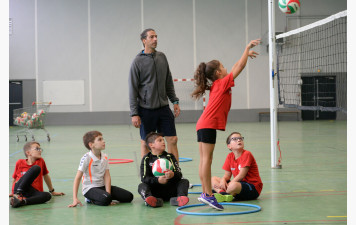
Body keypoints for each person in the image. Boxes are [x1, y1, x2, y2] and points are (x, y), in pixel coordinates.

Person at [191, 39, 260, 210]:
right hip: (207, 124)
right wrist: (246, 48)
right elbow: (240, 66)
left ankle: (205, 193)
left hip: (202, 123)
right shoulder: (221, 83)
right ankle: (207, 195)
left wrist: (245, 54)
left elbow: (237, 64)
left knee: (204, 160)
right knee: (207, 160)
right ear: (218, 72)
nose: (226, 67)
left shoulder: (217, 84)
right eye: (223, 66)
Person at [128, 28, 180, 160]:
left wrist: (174, 101)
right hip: (146, 110)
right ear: (144, 40)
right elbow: (133, 89)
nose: (155, 39)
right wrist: (134, 113)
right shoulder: (137, 62)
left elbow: (168, 81)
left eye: (156, 36)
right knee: (146, 143)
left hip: (163, 108)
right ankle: (146, 175)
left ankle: (176, 173)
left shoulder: (162, 57)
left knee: (172, 139)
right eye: (151, 37)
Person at [68, 131, 133, 207]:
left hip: (102, 187)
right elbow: (78, 178)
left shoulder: (105, 156)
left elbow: (107, 176)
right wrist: (75, 198)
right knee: (106, 199)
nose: (103, 141)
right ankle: (90, 199)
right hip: (90, 189)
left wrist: (108, 194)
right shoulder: (86, 158)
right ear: (91, 145)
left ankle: (105, 197)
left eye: (102, 139)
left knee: (129, 197)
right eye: (99, 139)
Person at [138, 132, 189, 208]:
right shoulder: (146, 159)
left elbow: (179, 174)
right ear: (151, 145)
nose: (163, 142)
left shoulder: (169, 156)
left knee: (184, 181)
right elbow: (144, 178)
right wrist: (157, 180)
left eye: (163, 140)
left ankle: (179, 199)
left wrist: (172, 175)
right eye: (160, 140)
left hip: (170, 189)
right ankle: (151, 199)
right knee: (141, 186)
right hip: (155, 191)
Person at [10, 141, 65, 208]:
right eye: (37, 149)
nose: (40, 151)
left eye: (40, 149)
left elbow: (46, 176)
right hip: (19, 188)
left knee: (47, 196)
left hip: (32, 192)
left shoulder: (40, 161)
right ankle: (17, 195)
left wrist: (52, 191)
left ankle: (22, 202)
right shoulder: (20, 162)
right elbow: (15, 178)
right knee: (36, 168)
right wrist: (12, 193)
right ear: (28, 153)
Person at [211, 132, 263, 202]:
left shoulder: (247, 154)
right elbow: (227, 175)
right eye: (235, 139)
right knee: (213, 179)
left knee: (233, 185)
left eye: (240, 138)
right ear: (229, 146)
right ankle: (222, 193)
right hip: (239, 185)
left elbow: (241, 176)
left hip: (253, 188)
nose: (239, 140)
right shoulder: (230, 156)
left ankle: (221, 192)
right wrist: (223, 180)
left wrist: (229, 184)